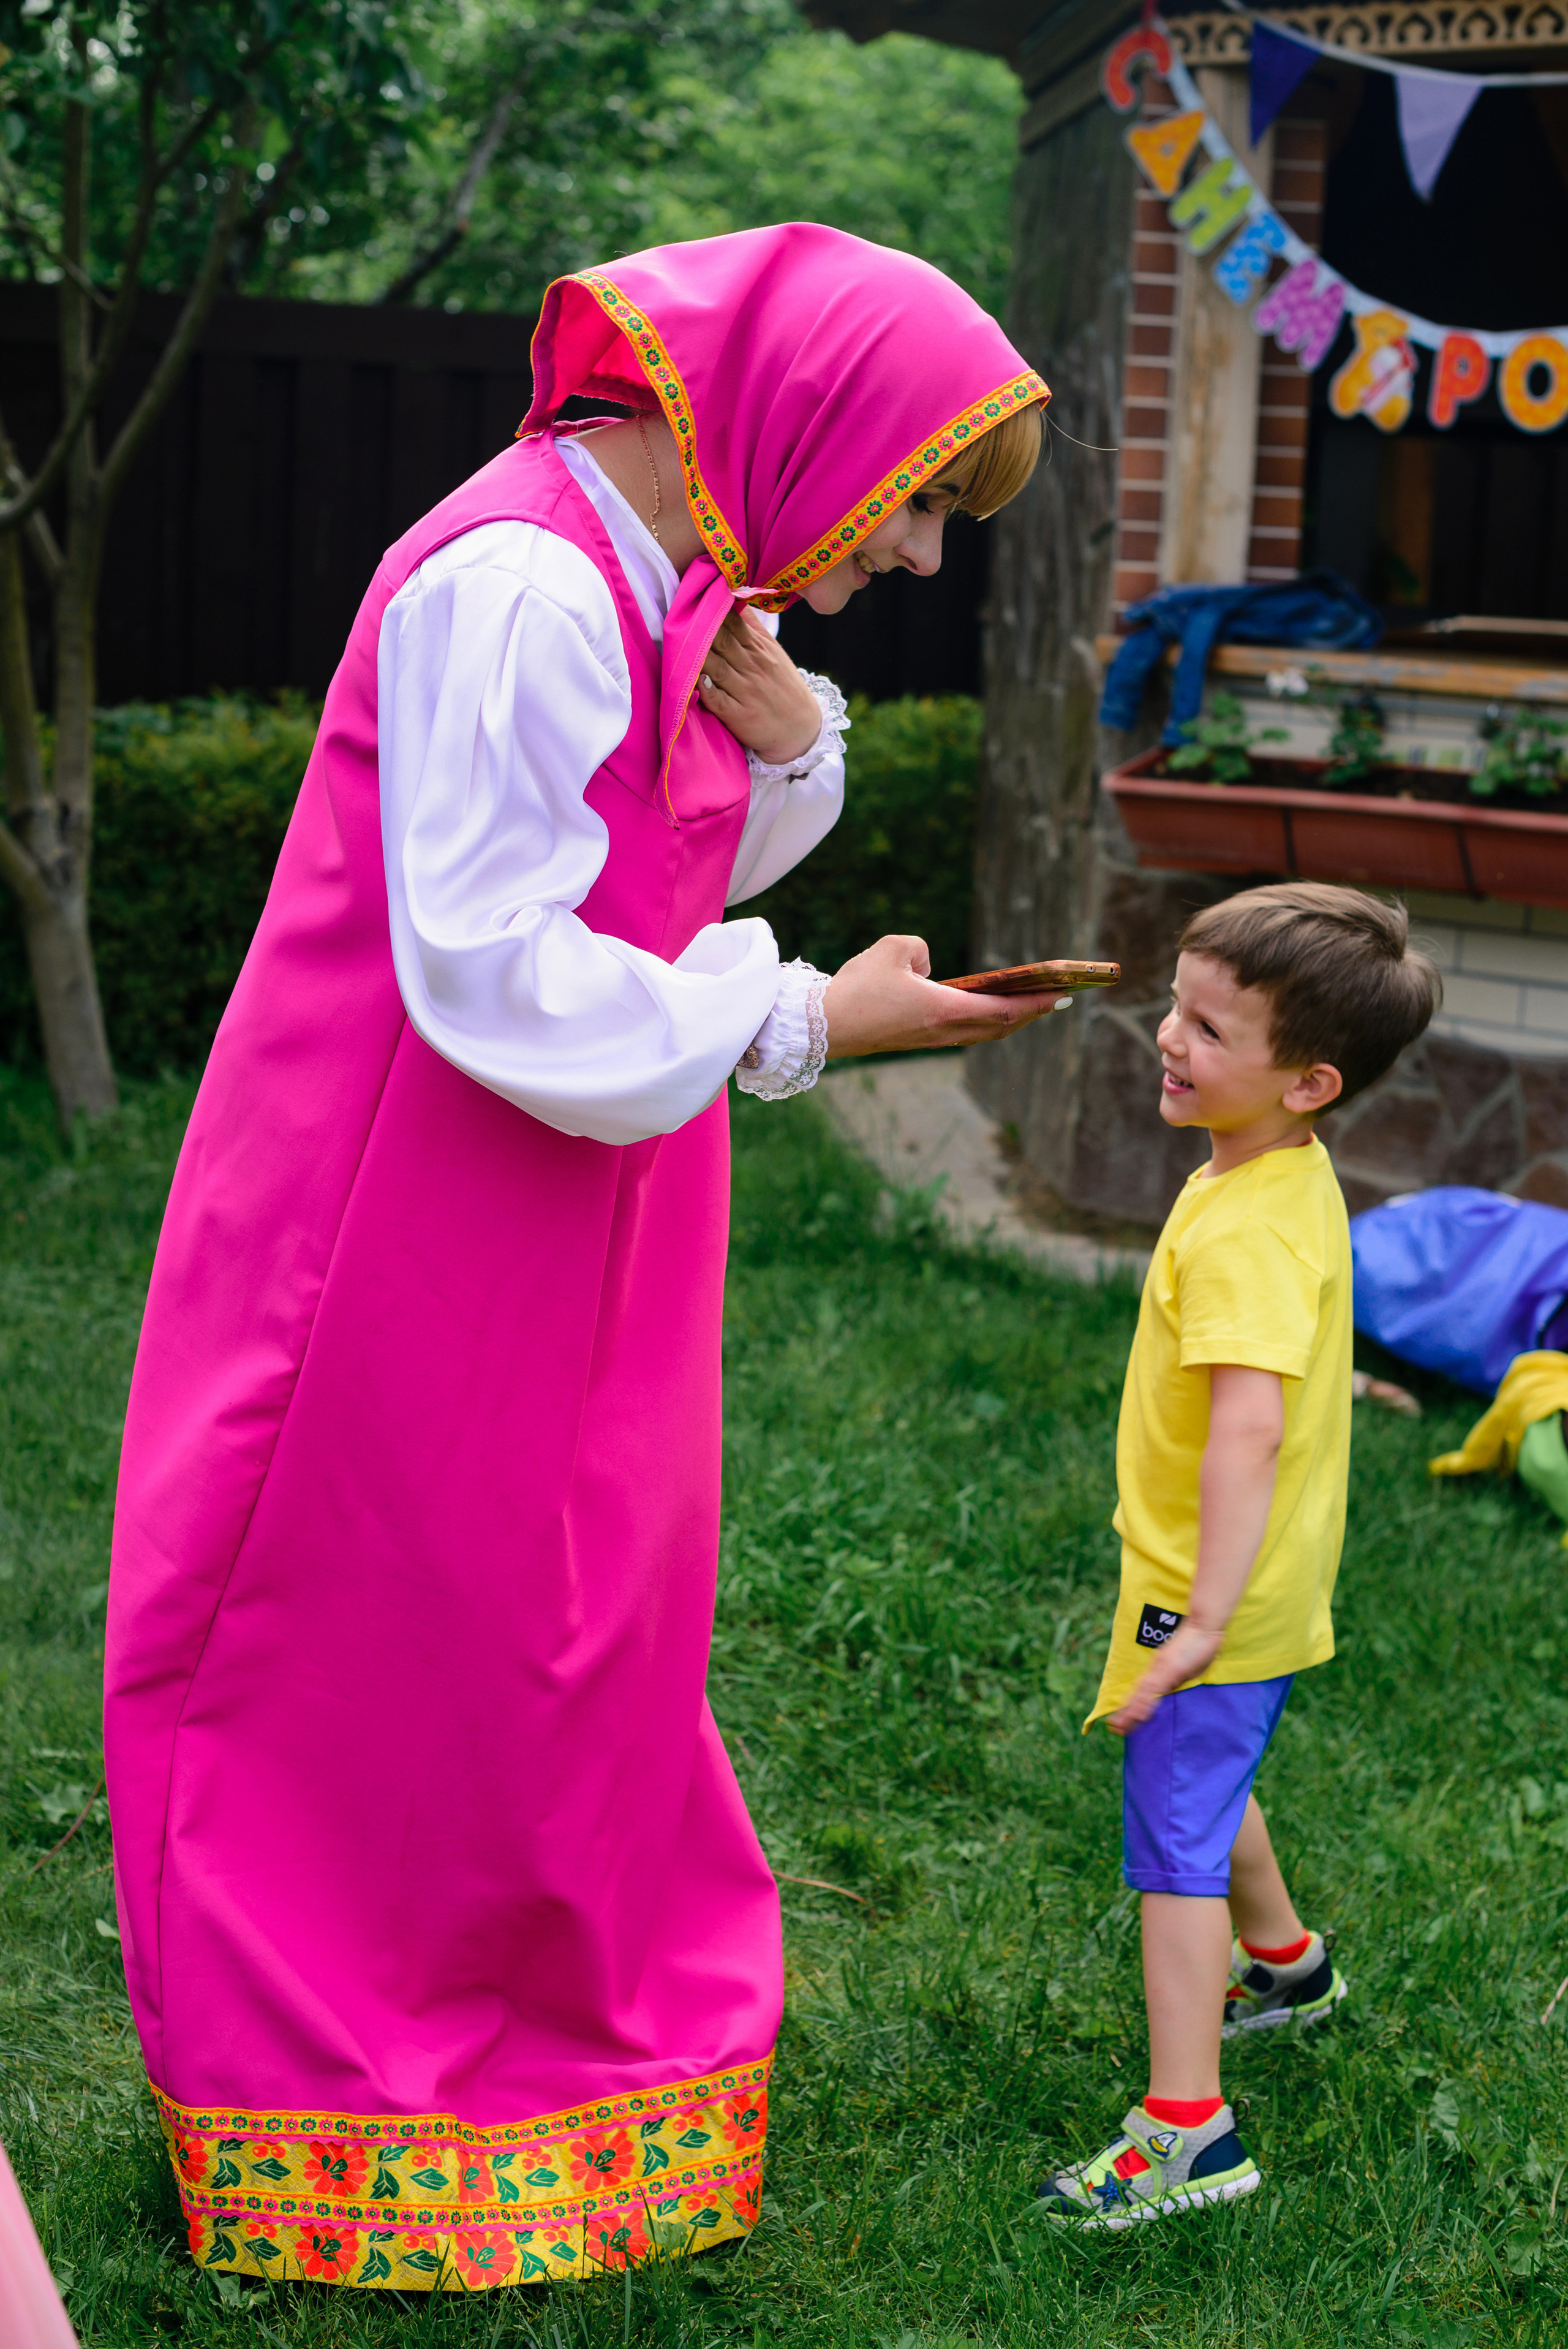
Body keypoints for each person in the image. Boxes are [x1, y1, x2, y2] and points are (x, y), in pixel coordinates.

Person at [104, 224, 1057, 2296]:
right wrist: (811, 1021)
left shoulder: (658, 583)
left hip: (551, 1181)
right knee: (386, 1620)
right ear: (807, 425)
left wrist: (796, 742)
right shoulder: (528, 583)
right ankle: (351, 2099)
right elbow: (498, 968)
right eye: (914, 501)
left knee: (567, 1609)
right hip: (399, 1202)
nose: (913, 561)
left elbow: (650, 847)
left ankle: (524, 2065)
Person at [1038, 884, 1439, 2228]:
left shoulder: (1247, 1234)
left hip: (1205, 1593)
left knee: (1169, 1844)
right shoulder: (1275, 1169)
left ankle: (1185, 2134)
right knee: (1205, 1774)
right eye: (1176, 1007)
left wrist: (1195, 1617)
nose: (1168, 1037)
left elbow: (1247, 1433)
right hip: (1248, 1585)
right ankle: (1285, 1967)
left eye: (1208, 1029)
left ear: (1307, 1081)